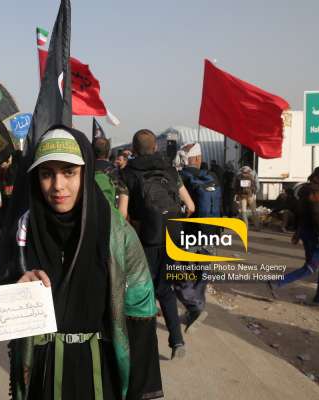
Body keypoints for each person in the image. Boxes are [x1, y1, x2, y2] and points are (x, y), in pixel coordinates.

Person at [0, 126, 163, 400]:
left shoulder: (116, 233)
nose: (58, 186)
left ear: (85, 172)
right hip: (41, 376)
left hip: (100, 376)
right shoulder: (23, 231)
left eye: (69, 172)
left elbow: (140, 310)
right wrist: (15, 288)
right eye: (47, 174)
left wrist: (140, 390)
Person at [122, 129, 189, 360]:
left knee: (144, 289)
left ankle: (144, 346)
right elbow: (190, 205)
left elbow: (122, 214)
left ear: (134, 149)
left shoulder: (128, 173)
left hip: (147, 239)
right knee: (165, 288)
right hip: (173, 238)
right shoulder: (170, 169)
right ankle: (177, 340)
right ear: (155, 147)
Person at [268, 167, 319, 304]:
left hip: (308, 231)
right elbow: (316, 216)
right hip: (315, 234)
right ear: (316, 178)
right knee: (310, 267)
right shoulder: (315, 192)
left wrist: (298, 233)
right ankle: (276, 283)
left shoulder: (308, 190)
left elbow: (303, 215)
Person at [177, 143, 222, 331]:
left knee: (181, 273)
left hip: (188, 231)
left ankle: (194, 308)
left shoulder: (181, 177)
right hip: (210, 232)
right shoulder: (212, 177)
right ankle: (196, 308)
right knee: (202, 273)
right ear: (198, 158)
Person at [93, 136, 129, 218]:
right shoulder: (116, 172)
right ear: (109, 153)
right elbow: (123, 209)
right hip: (111, 218)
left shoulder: (84, 171)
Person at [235, 165, 260, 229]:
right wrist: (255, 192)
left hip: (242, 195)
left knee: (243, 211)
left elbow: (235, 185)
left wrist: (237, 193)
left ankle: (246, 227)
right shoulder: (253, 174)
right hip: (250, 195)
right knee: (254, 210)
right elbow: (257, 184)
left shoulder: (238, 174)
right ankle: (257, 226)